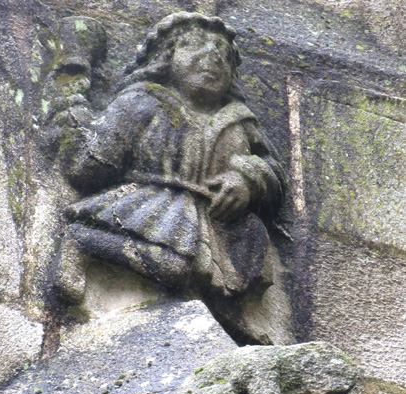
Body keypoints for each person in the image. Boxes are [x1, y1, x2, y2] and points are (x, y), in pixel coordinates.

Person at [55, 12, 285, 344]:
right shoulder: (142, 101)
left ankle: (231, 323)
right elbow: (92, 166)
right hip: (157, 204)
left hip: (217, 218)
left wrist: (248, 180)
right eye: (194, 46)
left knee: (221, 277)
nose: (211, 58)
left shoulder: (240, 121)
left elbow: (272, 170)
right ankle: (82, 242)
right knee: (174, 265)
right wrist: (73, 112)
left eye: (222, 53)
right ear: (166, 56)